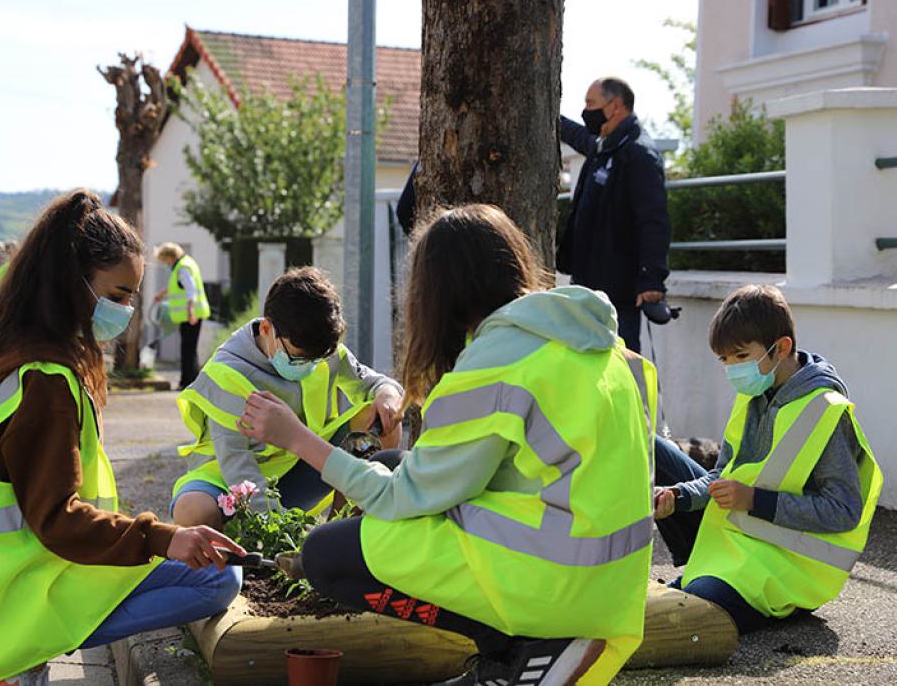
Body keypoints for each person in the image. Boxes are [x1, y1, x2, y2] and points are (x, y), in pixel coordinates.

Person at [238, 205, 658, 686]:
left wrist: (299, 440)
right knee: (395, 460)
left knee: (326, 557)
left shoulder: (495, 365)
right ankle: (518, 656)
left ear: (437, 292)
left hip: (555, 585)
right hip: (613, 584)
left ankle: (527, 647)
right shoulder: (607, 349)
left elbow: (404, 497)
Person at [0, 190, 244, 686]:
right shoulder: (48, 384)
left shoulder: (25, 356)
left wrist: (160, 539)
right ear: (71, 285)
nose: (126, 310)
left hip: (0, 588)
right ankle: (32, 652)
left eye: (132, 297)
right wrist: (162, 538)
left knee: (213, 570)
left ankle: (30, 657)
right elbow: (59, 518)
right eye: (118, 295)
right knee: (216, 577)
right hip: (19, 600)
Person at [652, 284, 882, 634]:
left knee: (687, 608)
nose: (732, 369)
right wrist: (679, 496)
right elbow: (721, 475)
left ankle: (712, 587)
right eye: (725, 360)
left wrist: (754, 500)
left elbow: (843, 510)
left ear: (782, 347)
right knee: (647, 445)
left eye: (740, 357)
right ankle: (701, 579)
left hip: (791, 567)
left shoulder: (826, 412)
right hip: (740, 543)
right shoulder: (754, 393)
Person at [172, 266, 404, 529]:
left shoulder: (321, 349)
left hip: (302, 470)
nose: (309, 366)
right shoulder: (228, 374)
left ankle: (344, 530)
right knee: (192, 511)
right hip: (232, 482)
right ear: (266, 328)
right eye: (297, 357)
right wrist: (282, 532)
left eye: (316, 359)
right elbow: (238, 468)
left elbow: (374, 384)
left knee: (381, 415)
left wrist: (389, 392)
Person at [557, 77, 670, 353]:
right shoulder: (607, 146)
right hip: (590, 283)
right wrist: (552, 116)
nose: (586, 112)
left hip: (619, 288)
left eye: (591, 104)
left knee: (621, 358)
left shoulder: (638, 153)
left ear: (616, 106)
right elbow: (579, 137)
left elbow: (654, 220)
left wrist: (652, 279)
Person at [153, 243, 211, 390]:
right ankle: (193, 382)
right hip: (190, 315)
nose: (166, 263)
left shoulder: (183, 267)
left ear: (170, 256)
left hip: (190, 315)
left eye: (165, 260)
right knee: (189, 349)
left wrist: (191, 312)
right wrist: (163, 293)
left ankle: (187, 383)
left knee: (188, 350)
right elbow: (180, 286)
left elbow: (190, 290)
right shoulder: (186, 264)